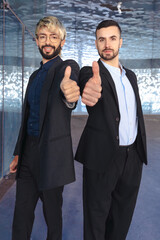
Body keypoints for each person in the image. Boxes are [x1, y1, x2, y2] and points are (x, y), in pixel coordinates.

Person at [75, 19, 147, 240]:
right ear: (96, 44)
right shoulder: (90, 72)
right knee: (96, 221)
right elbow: (88, 85)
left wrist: (136, 153)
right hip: (102, 156)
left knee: (121, 219)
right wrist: (89, 90)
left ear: (120, 42)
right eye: (102, 39)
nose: (107, 44)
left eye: (112, 38)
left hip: (132, 157)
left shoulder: (131, 76)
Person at [9, 16, 80, 240]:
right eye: (42, 37)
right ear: (37, 41)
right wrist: (19, 153)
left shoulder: (66, 68)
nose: (47, 41)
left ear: (62, 41)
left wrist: (70, 94)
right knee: (21, 214)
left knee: (53, 217)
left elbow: (70, 89)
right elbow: (27, 117)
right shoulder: (33, 76)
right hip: (28, 153)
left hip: (52, 157)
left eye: (53, 37)